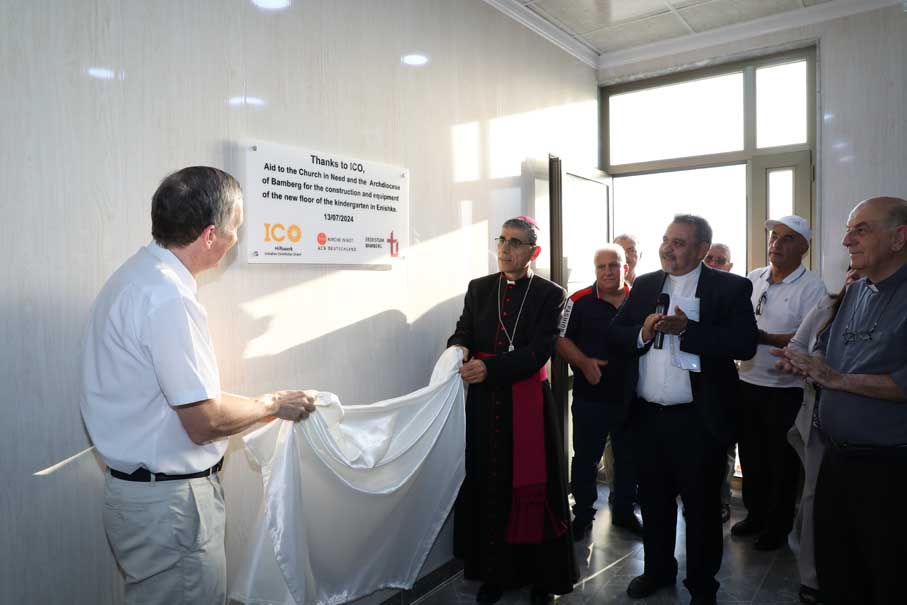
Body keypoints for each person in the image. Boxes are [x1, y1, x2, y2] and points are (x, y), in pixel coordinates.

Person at [80, 167, 316, 605]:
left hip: (142, 498)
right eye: (235, 228)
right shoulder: (168, 299)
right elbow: (203, 422)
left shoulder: (134, 277)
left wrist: (260, 405)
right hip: (171, 507)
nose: (236, 239)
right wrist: (271, 403)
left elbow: (184, 398)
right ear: (210, 235)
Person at [609, 215, 758, 605]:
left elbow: (744, 344)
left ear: (702, 249)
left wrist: (688, 331)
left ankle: (702, 586)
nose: (667, 248)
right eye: (665, 239)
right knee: (654, 502)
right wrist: (641, 332)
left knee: (701, 510)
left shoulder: (730, 287)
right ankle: (658, 571)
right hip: (647, 417)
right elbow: (615, 334)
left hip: (698, 421)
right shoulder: (645, 285)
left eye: (677, 242)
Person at [776, 196, 907, 605]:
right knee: (837, 570)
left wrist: (837, 379)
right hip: (835, 457)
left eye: (861, 230)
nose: (847, 240)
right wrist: (808, 363)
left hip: (888, 469)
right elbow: (827, 347)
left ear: (899, 238)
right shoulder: (855, 291)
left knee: (886, 575)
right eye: (849, 230)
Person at [448, 216, 578, 605]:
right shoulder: (479, 288)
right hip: (485, 404)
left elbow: (539, 351)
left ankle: (542, 578)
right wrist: (459, 348)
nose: (505, 249)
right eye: (502, 240)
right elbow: (464, 329)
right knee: (490, 484)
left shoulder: (552, 294)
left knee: (536, 488)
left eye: (515, 243)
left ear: (533, 252)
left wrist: (490, 369)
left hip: (528, 403)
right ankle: (495, 574)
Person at [732, 216, 827, 551]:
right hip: (747, 381)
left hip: (786, 389)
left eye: (787, 238)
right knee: (751, 456)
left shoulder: (812, 286)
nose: (776, 244)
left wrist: (763, 337)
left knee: (782, 463)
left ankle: (778, 526)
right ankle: (755, 516)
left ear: (804, 247)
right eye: (774, 236)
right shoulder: (754, 278)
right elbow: (739, 322)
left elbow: (810, 335)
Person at [771, 267, 860, 605]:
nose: (855, 280)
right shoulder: (826, 306)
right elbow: (797, 344)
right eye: (851, 274)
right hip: (819, 421)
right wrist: (796, 361)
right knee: (814, 497)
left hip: (868, 427)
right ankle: (811, 577)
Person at [556, 244, 642, 540]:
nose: (607, 272)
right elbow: (559, 339)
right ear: (595, 270)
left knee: (628, 458)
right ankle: (582, 515)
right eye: (601, 266)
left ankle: (624, 513)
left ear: (625, 268)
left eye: (613, 265)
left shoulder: (639, 299)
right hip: (589, 397)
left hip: (632, 397)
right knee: (585, 459)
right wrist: (583, 362)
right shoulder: (577, 300)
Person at [703, 243, 737, 523]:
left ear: (730, 266)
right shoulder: (688, 290)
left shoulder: (737, 293)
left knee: (723, 447)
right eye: (709, 258)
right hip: (690, 387)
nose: (714, 263)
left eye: (720, 260)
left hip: (725, 386)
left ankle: (721, 501)